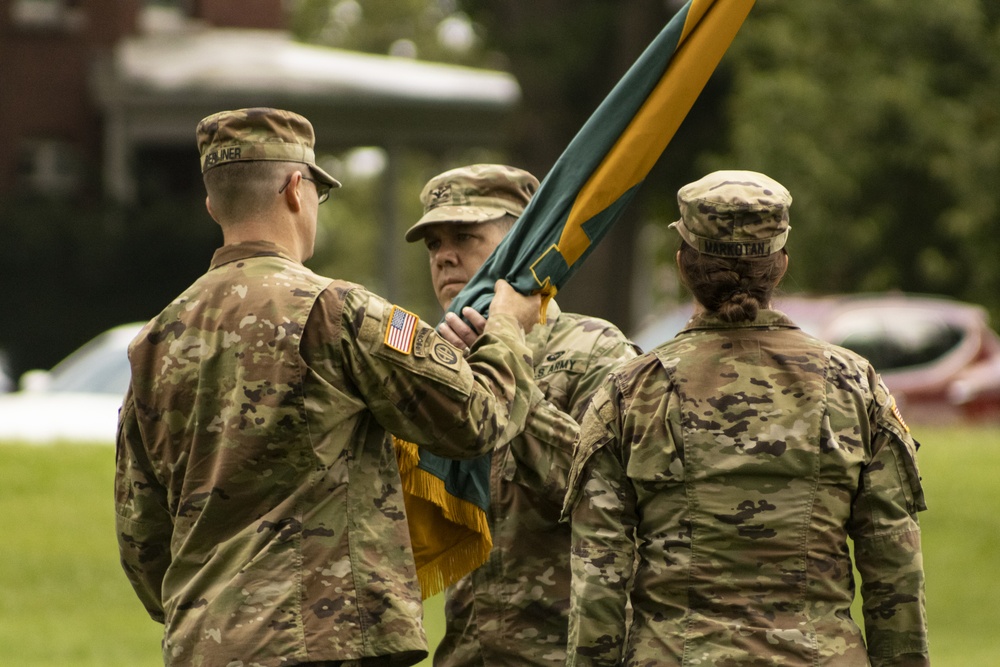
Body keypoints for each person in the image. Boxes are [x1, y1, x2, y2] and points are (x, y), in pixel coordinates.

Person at [114, 108, 543, 667]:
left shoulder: (154, 340)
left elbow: (141, 538)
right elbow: (477, 420)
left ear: (213, 204)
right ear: (297, 189)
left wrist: (209, 613)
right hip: (322, 642)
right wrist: (508, 324)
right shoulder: (339, 311)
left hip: (204, 646)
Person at [563, 170, 929, 666]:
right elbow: (894, 567)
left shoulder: (631, 392)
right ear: (780, 266)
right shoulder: (853, 384)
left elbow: (599, 578)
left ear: (682, 266)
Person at [404, 164, 640, 666]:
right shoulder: (430, 360)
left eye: (464, 235)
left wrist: (509, 392)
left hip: (564, 653)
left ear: (523, 242)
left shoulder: (594, 350)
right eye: (433, 245)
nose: (445, 256)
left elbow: (610, 492)